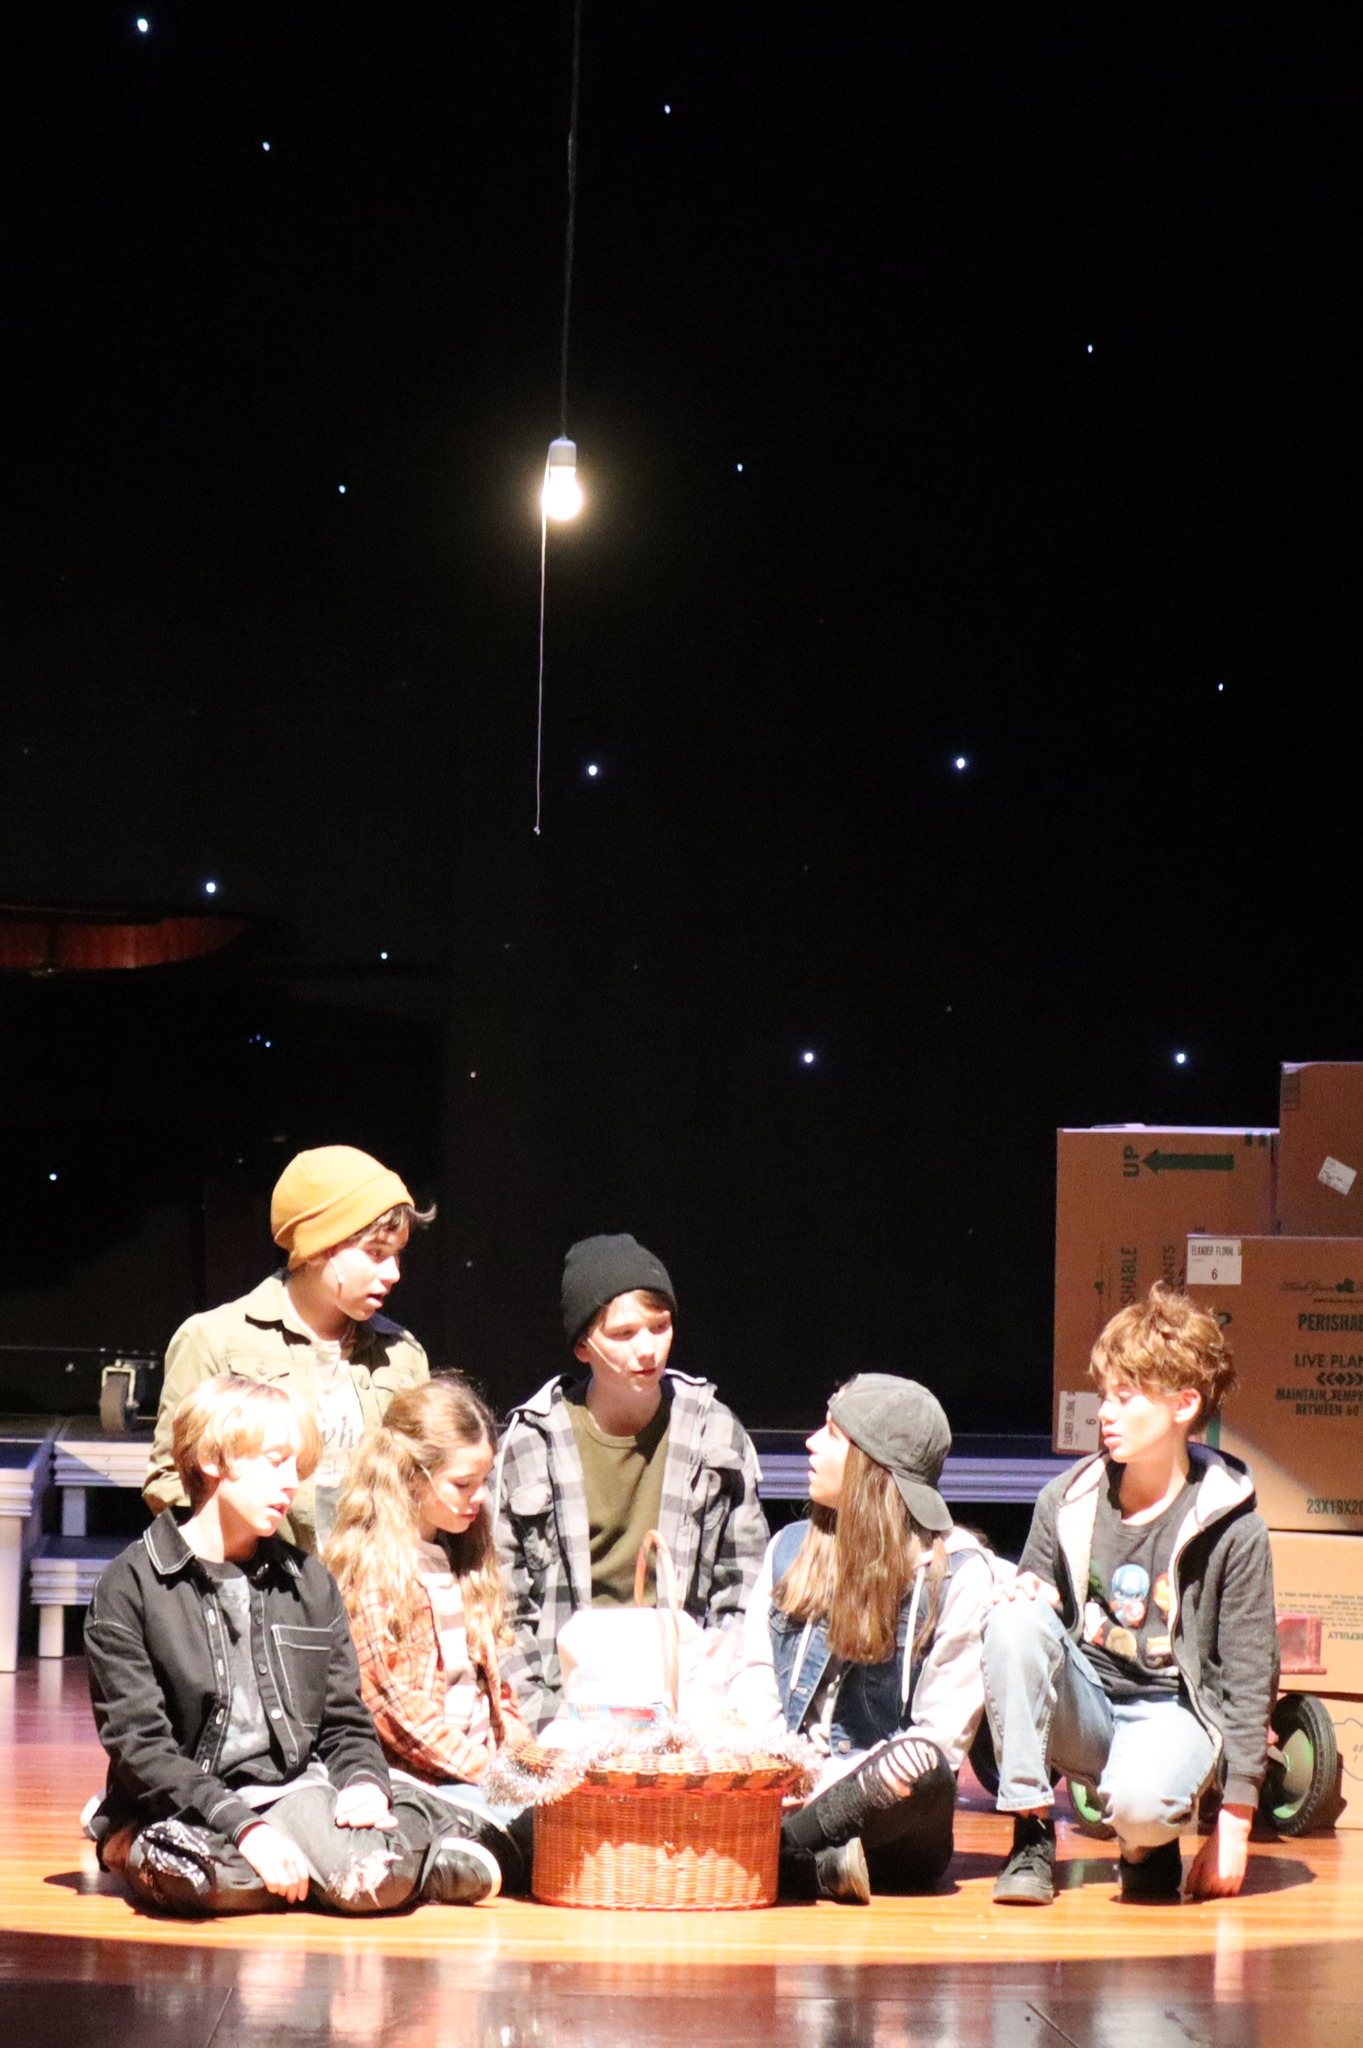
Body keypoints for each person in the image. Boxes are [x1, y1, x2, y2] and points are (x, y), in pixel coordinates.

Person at [85, 1375, 495, 1915]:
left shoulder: (309, 1583)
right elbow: (140, 1746)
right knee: (188, 1876)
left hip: (291, 1791)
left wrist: (365, 1781)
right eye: (275, 1463)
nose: (291, 1484)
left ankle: (391, 1837)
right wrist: (244, 1828)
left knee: (367, 1882)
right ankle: (404, 1857)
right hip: (186, 1801)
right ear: (211, 1459)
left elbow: (345, 1719)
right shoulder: (129, 1585)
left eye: (296, 1468)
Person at [983, 1282, 1278, 1906]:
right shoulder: (1066, 1501)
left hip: (1171, 1709)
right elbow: (1036, 1615)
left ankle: (1146, 1843)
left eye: (1126, 1396)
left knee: (1144, 1808)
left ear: (1184, 1405)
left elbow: (1252, 1674)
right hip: (1087, 1702)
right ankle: (1031, 1832)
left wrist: (1235, 1820)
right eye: (1104, 1396)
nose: (1105, 1413)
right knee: (1013, 1619)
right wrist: (1030, 1594)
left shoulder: (1234, 1526)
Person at [732, 1373, 1004, 1902]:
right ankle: (812, 1869)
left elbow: (939, 1739)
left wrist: (829, 1786)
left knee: (922, 1767)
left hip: (884, 1816)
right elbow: (756, 1678)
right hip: (786, 1789)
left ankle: (770, 1857)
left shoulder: (959, 1577)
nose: (810, 1442)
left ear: (872, 1467)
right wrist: (778, 1773)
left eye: (833, 1434)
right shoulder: (789, 1548)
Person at [493, 1232, 769, 1729]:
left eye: (660, 1327)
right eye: (623, 1334)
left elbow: (743, 1594)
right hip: (564, 1707)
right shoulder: (530, 1443)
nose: (648, 1350)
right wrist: (550, 1725)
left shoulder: (713, 1431)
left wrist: (706, 1705)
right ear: (583, 1346)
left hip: (688, 1707)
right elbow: (502, 1610)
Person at [144, 1145, 431, 1549]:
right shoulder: (213, 1340)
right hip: (258, 1580)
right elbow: (173, 1484)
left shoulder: (402, 1354)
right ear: (319, 1248)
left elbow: (424, 1483)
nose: (393, 1273)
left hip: (374, 1581)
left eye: (397, 1255)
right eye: (375, 1253)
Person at [325, 1377, 533, 1895]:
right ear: (410, 1477)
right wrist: (495, 1776)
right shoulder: (375, 1570)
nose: (479, 1498)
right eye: (462, 1484)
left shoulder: (463, 1552)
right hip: (419, 1777)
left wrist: (526, 1757)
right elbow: (399, 1715)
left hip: (477, 1770)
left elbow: (493, 1689)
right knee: (536, 1837)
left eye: (483, 1481)